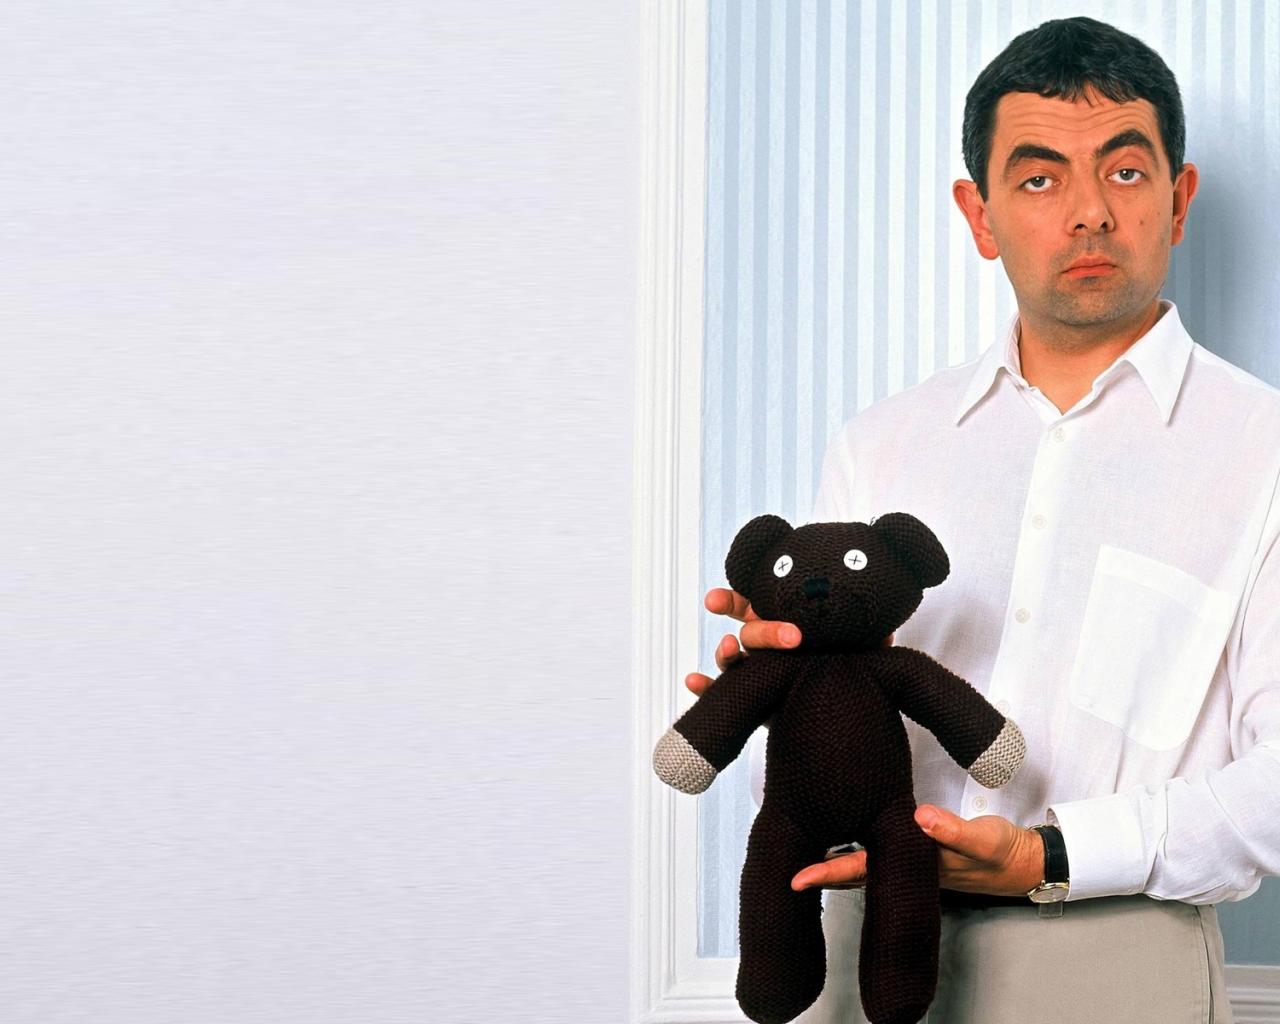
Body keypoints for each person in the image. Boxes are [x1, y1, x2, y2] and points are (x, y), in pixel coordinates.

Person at [684, 17, 1280, 1024]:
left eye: (1125, 172)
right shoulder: (881, 443)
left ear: (1178, 200)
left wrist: (1053, 854)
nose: (1089, 213)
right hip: (857, 945)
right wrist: (775, 691)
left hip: (1114, 954)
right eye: (1039, 179)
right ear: (979, 214)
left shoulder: (1262, 453)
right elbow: (821, 736)